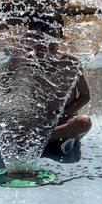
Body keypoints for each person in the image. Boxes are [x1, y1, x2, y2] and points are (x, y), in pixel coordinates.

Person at [27, 13, 92, 155]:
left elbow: (85, 95)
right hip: (37, 122)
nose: (45, 41)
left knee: (84, 122)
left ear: (60, 36)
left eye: (51, 35)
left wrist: (63, 114)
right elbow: (7, 88)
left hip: (64, 120)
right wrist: (15, 59)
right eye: (39, 36)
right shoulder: (27, 63)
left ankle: (37, 141)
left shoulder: (70, 63)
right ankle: (58, 139)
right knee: (4, 121)